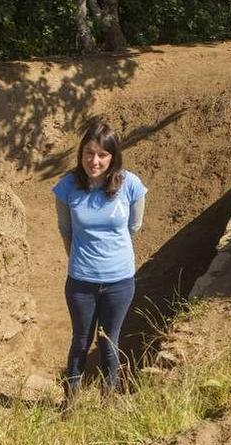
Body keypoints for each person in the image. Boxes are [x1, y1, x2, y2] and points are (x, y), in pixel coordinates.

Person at [52, 119, 147, 403]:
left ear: (113, 156)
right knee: (80, 341)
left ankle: (108, 401)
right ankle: (70, 403)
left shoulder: (130, 184)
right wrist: (82, 261)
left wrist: (109, 256)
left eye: (102, 155)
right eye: (89, 153)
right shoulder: (67, 186)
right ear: (81, 153)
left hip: (119, 280)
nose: (94, 161)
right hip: (81, 281)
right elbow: (66, 231)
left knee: (108, 342)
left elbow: (135, 225)